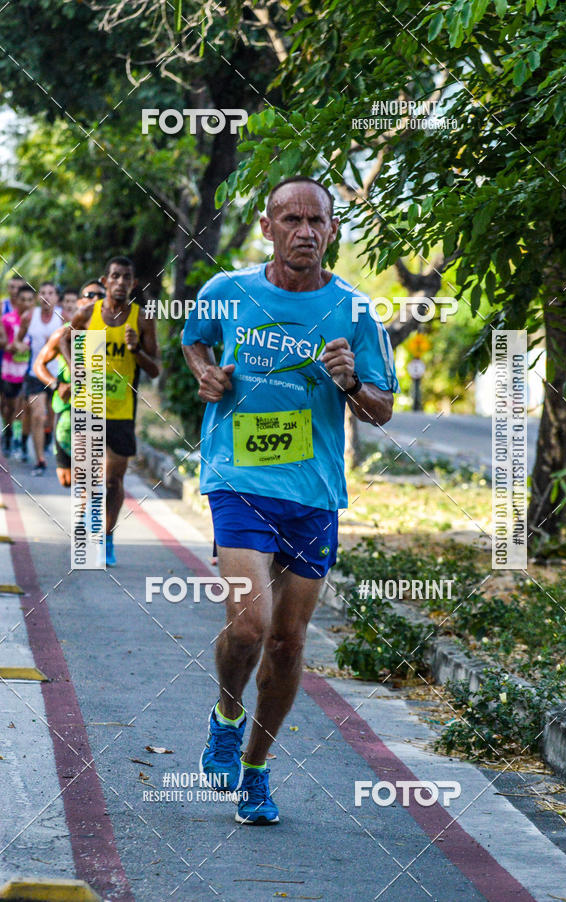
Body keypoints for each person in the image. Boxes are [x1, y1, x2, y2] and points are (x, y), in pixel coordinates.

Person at [181, 176, 398, 825]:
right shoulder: (228, 291)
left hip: (313, 495)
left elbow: (382, 410)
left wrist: (352, 382)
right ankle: (225, 714)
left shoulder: (356, 312)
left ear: (333, 230)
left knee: (286, 642)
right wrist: (204, 372)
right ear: (267, 226)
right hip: (238, 478)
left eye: (317, 220)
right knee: (249, 626)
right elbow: (196, 338)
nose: (306, 230)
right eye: (292, 218)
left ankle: (255, 768)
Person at [65, 258, 159, 565]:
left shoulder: (141, 319)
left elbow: (155, 369)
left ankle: (107, 536)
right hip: (88, 405)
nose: (120, 282)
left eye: (126, 278)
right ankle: (86, 528)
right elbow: (63, 340)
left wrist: (135, 351)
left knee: (112, 481)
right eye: (115, 276)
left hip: (121, 411)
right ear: (105, 281)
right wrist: (74, 366)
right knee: (87, 475)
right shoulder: (88, 314)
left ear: (133, 284)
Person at [33, 281, 104, 486]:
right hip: (66, 411)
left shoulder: (113, 333)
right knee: (66, 480)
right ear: (81, 301)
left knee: (90, 477)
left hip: (98, 412)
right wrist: (57, 385)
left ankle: (87, 513)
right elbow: (39, 364)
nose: (95, 300)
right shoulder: (63, 334)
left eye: (100, 296)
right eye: (90, 295)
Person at [19, 281, 63, 474]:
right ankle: (40, 460)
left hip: (57, 374)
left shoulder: (65, 318)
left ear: (56, 298)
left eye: (50, 292)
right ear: (39, 298)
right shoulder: (29, 317)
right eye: (43, 293)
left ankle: (47, 437)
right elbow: (18, 341)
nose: (46, 296)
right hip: (35, 374)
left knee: (51, 416)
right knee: (38, 414)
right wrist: (20, 346)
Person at [1, 284, 34, 457]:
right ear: (17, 301)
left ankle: (21, 442)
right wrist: (12, 346)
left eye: (30, 300)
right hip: (9, 370)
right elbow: (3, 342)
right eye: (23, 300)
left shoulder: (35, 321)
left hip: (28, 372)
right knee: (9, 407)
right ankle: (8, 434)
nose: (27, 303)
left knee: (25, 406)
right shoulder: (7, 319)